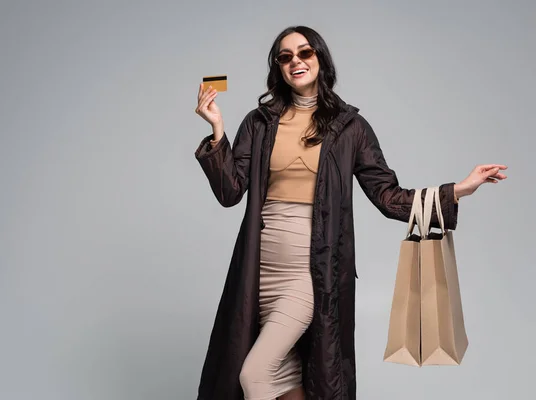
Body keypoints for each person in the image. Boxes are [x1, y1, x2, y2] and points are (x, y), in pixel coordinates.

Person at [193, 25, 506, 400]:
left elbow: (388, 196)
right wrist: (216, 132)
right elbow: (230, 191)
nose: (296, 61)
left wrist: (458, 190)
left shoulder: (349, 127)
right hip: (258, 273)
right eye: (285, 56)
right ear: (277, 67)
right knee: (287, 379)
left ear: (321, 59)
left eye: (305, 53)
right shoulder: (258, 123)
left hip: (311, 275)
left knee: (254, 376)